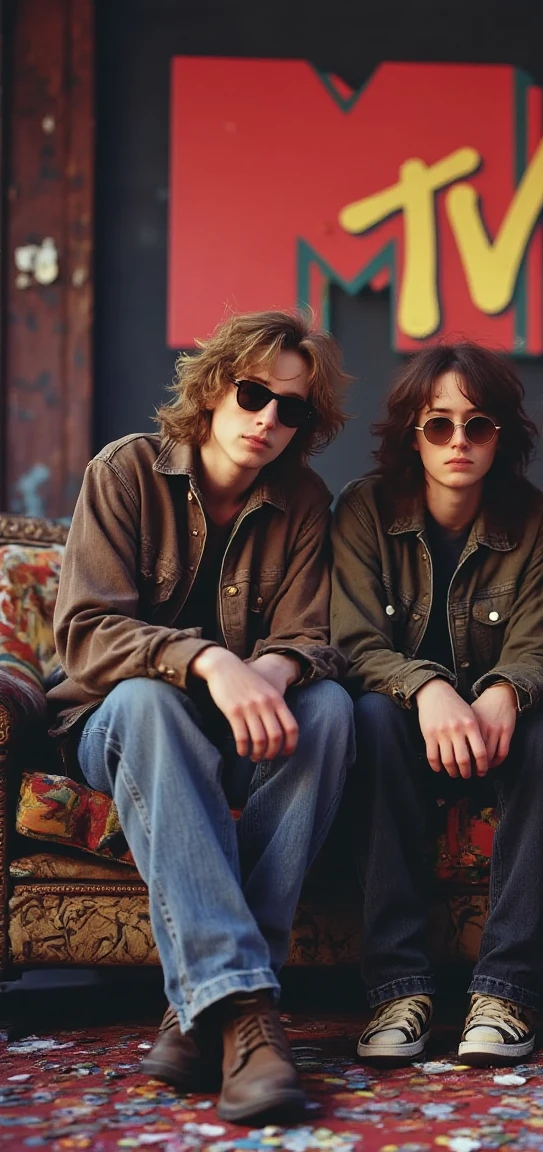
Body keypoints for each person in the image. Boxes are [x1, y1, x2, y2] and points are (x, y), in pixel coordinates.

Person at [49, 310, 355, 1125]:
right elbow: (83, 633)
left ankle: (199, 1014)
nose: (268, 419)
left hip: (239, 739)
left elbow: (315, 639)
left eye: (291, 409)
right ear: (215, 387)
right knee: (151, 701)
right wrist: (210, 660)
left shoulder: (303, 501)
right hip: (116, 727)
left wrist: (277, 666)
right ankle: (248, 1012)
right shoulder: (124, 472)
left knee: (327, 712)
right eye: (255, 394)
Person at [330, 343, 543, 1067]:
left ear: (504, 436)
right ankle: (398, 990)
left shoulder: (536, 522)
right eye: (439, 425)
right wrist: (427, 688)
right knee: (366, 714)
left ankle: (507, 990)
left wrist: (504, 690)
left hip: (502, 743)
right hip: (401, 742)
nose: (458, 441)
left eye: (478, 425)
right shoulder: (364, 511)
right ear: (412, 433)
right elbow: (351, 643)